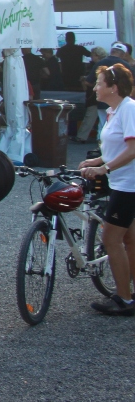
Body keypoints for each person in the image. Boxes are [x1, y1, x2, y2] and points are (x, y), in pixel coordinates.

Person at [79, 64, 135, 315]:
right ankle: (129, 295)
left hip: (128, 185)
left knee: (111, 239)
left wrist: (104, 168)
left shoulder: (129, 109)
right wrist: (97, 160)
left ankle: (123, 298)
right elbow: (117, 147)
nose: (95, 87)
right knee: (129, 239)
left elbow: (133, 149)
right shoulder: (115, 111)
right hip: (122, 184)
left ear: (113, 87)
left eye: (99, 83)